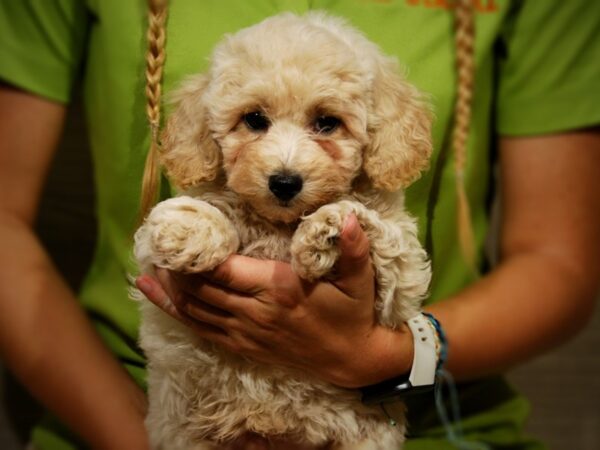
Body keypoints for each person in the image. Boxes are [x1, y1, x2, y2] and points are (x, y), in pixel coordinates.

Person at [0, 1, 599, 449]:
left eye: (326, 123)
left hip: (428, 416)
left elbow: (558, 262)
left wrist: (387, 355)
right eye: (254, 120)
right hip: (133, 408)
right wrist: (151, 437)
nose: (287, 160)